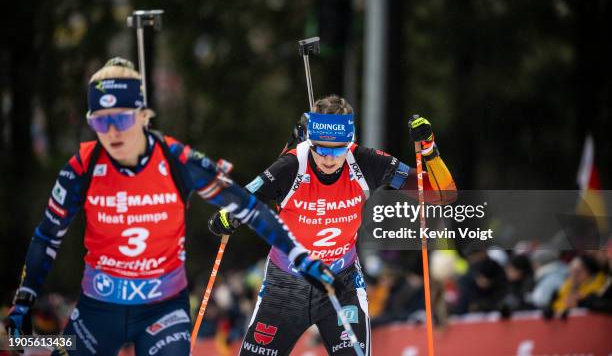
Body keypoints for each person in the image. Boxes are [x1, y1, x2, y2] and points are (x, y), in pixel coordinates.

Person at [3, 57, 334, 356]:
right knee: (27, 344)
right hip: (100, 308)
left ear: (143, 115)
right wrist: (23, 301)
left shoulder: (178, 160)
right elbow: (48, 235)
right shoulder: (82, 168)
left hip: (162, 310)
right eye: (102, 122)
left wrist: (300, 256)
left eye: (121, 118)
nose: (113, 132)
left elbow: (250, 208)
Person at [209, 94, 456, 355]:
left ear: (350, 142)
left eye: (338, 149)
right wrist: (227, 217)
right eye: (321, 149)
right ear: (309, 142)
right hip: (287, 285)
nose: (329, 159)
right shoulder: (292, 165)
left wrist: (428, 149)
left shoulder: (365, 162)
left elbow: (442, 194)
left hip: (342, 283)